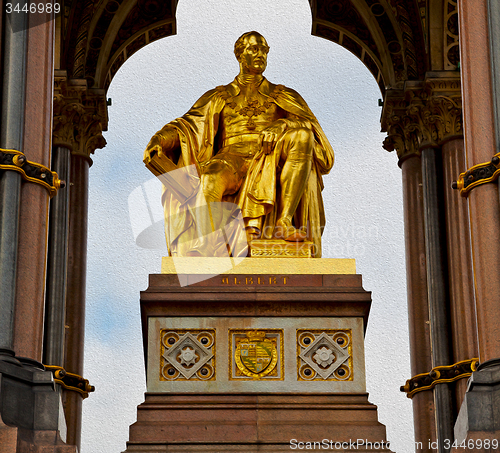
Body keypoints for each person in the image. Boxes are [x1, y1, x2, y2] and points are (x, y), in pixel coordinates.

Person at [143, 31, 334, 257]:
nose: (260, 54)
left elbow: (312, 132)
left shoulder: (283, 95)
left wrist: (283, 125)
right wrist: (160, 139)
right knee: (211, 177)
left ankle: (284, 220)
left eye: (264, 50)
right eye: (254, 49)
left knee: (302, 135)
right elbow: (188, 125)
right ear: (240, 55)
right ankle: (206, 246)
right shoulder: (219, 96)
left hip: (269, 158)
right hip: (229, 158)